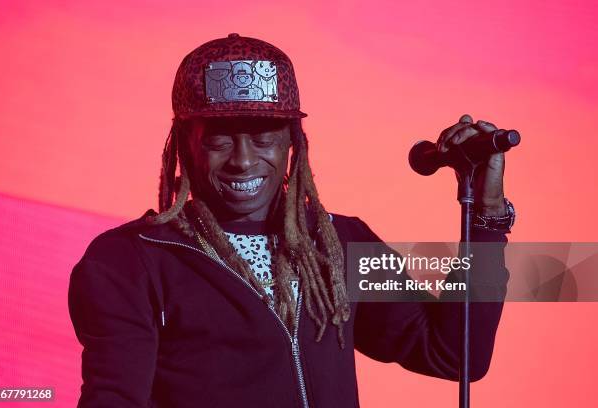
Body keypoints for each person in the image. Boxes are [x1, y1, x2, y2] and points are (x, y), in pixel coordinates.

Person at [68, 33, 515, 408]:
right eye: (220, 140)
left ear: (292, 144)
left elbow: (455, 354)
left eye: (264, 138)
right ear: (185, 145)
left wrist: (486, 219)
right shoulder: (127, 262)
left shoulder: (340, 241)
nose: (243, 161)